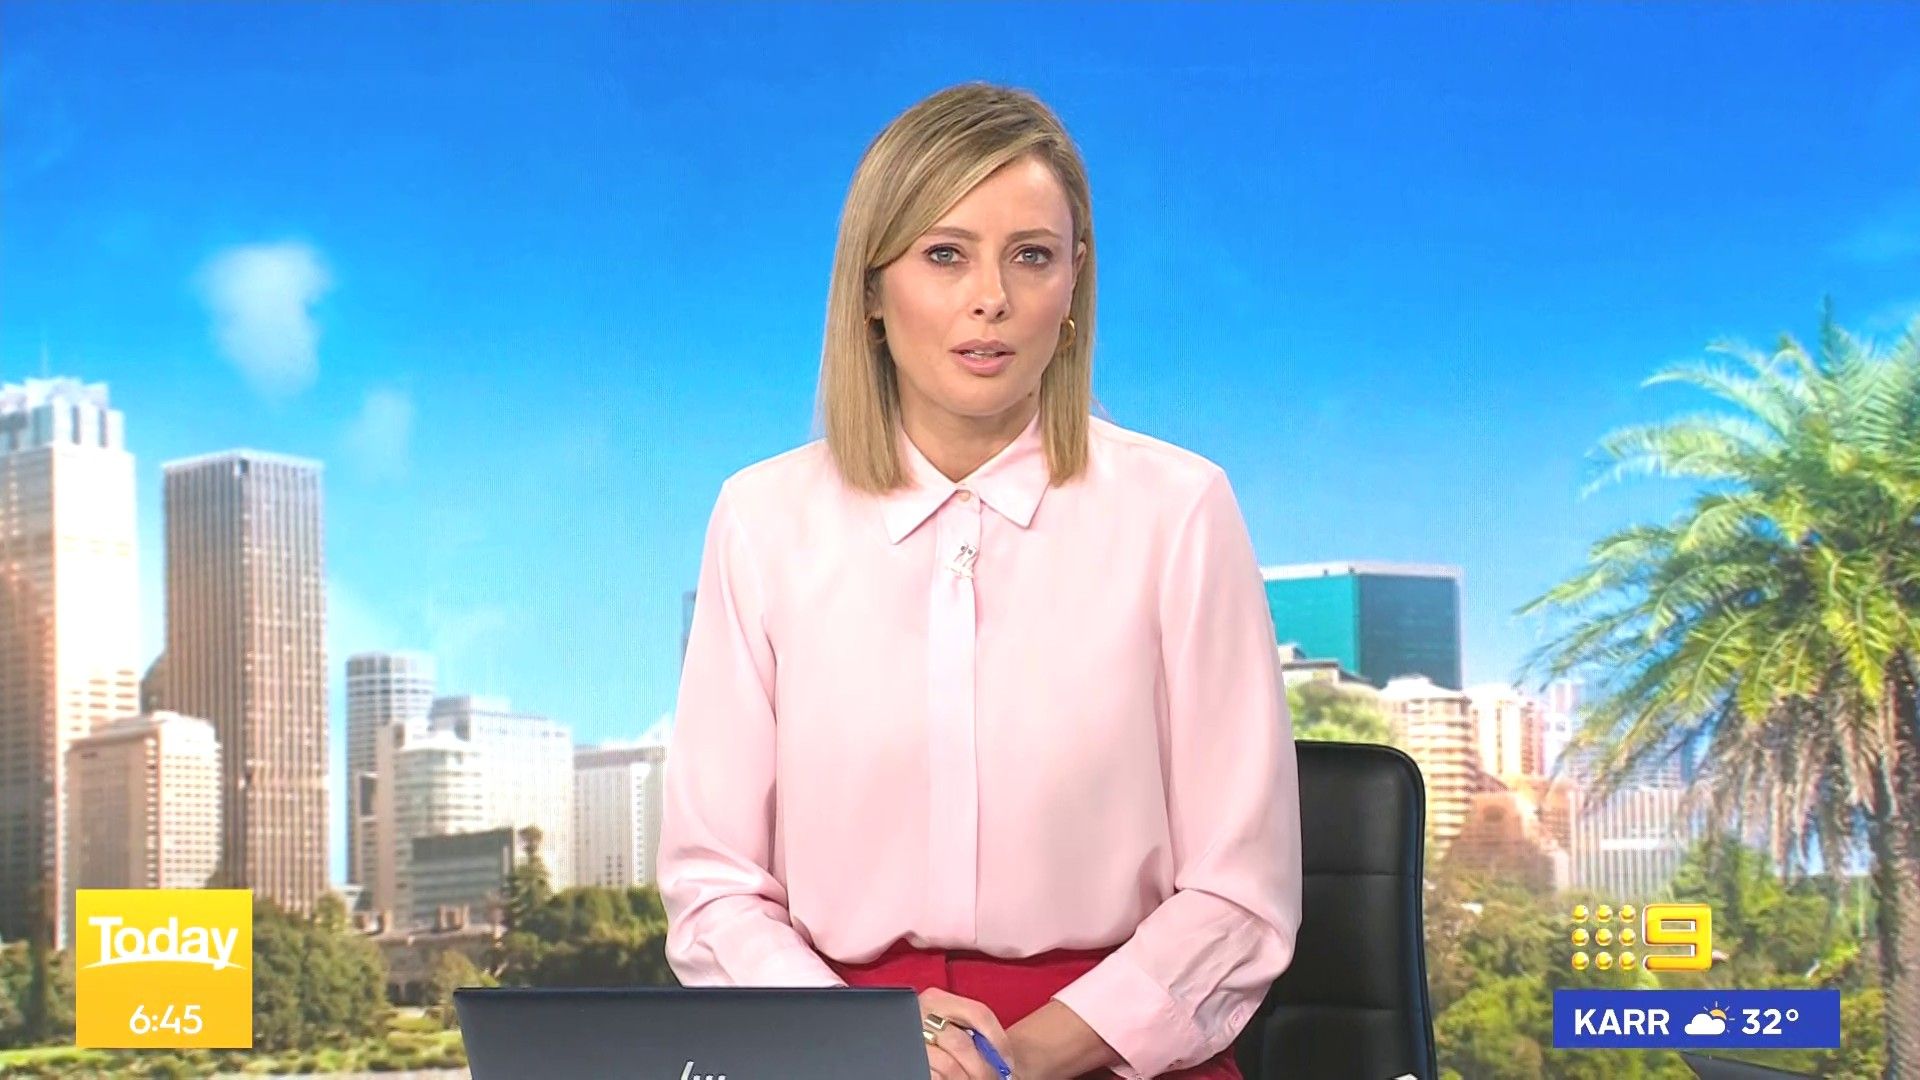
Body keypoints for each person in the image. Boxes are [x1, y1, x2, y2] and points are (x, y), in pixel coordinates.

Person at [659, 81, 1301, 1080]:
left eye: (1031, 256)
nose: (990, 296)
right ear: (871, 290)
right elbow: (713, 889)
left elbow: (1241, 895)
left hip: (1108, 1050)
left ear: (1074, 286)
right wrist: (868, 1045)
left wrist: (1025, 1056)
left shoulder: (1180, 510)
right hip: (836, 1050)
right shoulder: (761, 520)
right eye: (945, 254)